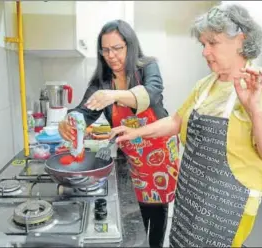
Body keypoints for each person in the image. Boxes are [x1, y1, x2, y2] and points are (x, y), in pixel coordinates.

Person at [110, 4, 262, 247]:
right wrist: (135, 132)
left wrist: (253, 108)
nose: (205, 52)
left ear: (241, 40)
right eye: (203, 44)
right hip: (191, 196)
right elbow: (176, 121)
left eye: (213, 43)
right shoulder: (206, 86)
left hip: (227, 207)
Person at [58, 20, 180, 248]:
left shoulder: (147, 67)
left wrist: (114, 95)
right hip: (132, 152)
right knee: (137, 205)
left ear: (130, 46)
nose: (111, 55)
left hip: (159, 148)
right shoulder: (101, 82)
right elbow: (85, 111)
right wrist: (70, 120)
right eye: (105, 50)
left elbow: (152, 94)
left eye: (117, 48)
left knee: (158, 205)